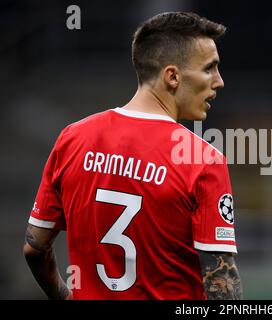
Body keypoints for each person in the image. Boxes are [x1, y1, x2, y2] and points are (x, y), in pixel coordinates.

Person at [23, 12, 243, 300]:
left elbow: (34, 248)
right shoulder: (201, 160)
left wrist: (64, 297)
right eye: (210, 69)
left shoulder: (72, 139)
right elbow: (222, 285)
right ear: (173, 76)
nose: (219, 81)